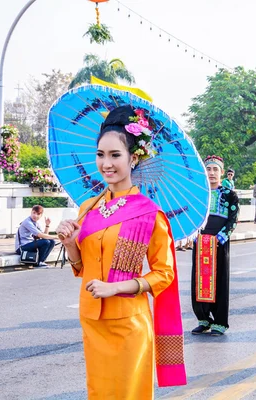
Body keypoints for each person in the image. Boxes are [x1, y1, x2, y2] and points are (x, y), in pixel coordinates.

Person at [55, 105, 186, 398]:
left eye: (115, 155)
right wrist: (70, 245)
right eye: (101, 154)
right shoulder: (88, 208)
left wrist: (116, 288)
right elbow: (82, 267)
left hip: (128, 323)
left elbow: (164, 275)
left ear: (133, 157)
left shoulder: (150, 214)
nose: (106, 163)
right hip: (93, 319)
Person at [191, 155, 239, 336]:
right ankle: (203, 319)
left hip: (219, 243)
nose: (211, 173)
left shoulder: (229, 195)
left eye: (215, 170)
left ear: (221, 173)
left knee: (219, 279)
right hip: (200, 241)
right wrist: (193, 235)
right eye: (208, 169)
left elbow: (233, 220)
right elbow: (192, 216)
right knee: (199, 280)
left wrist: (220, 238)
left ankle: (219, 322)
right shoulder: (199, 193)